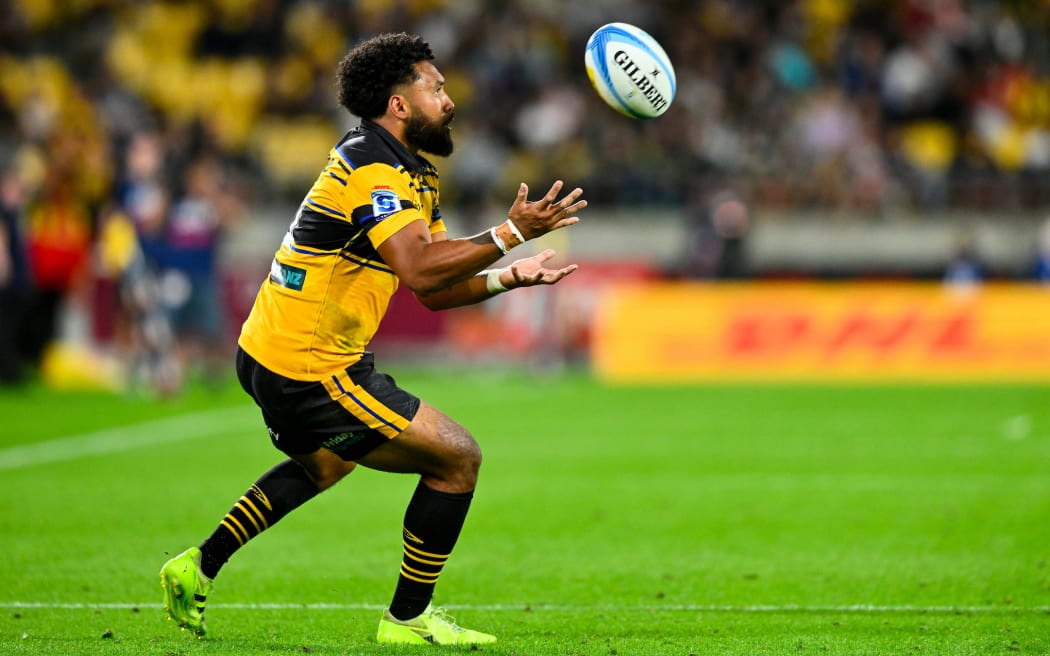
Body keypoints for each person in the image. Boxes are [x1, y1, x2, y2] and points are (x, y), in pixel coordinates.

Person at [159, 32, 586, 646]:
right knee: (457, 458)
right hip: (310, 365)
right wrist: (509, 232)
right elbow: (420, 270)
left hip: (273, 350)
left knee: (325, 464)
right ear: (399, 104)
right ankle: (407, 619)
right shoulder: (371, 168)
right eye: (436, 88)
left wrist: (506, 277)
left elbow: (434, 287)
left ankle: (198, 566)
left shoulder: (414, 174)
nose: (449, 100)